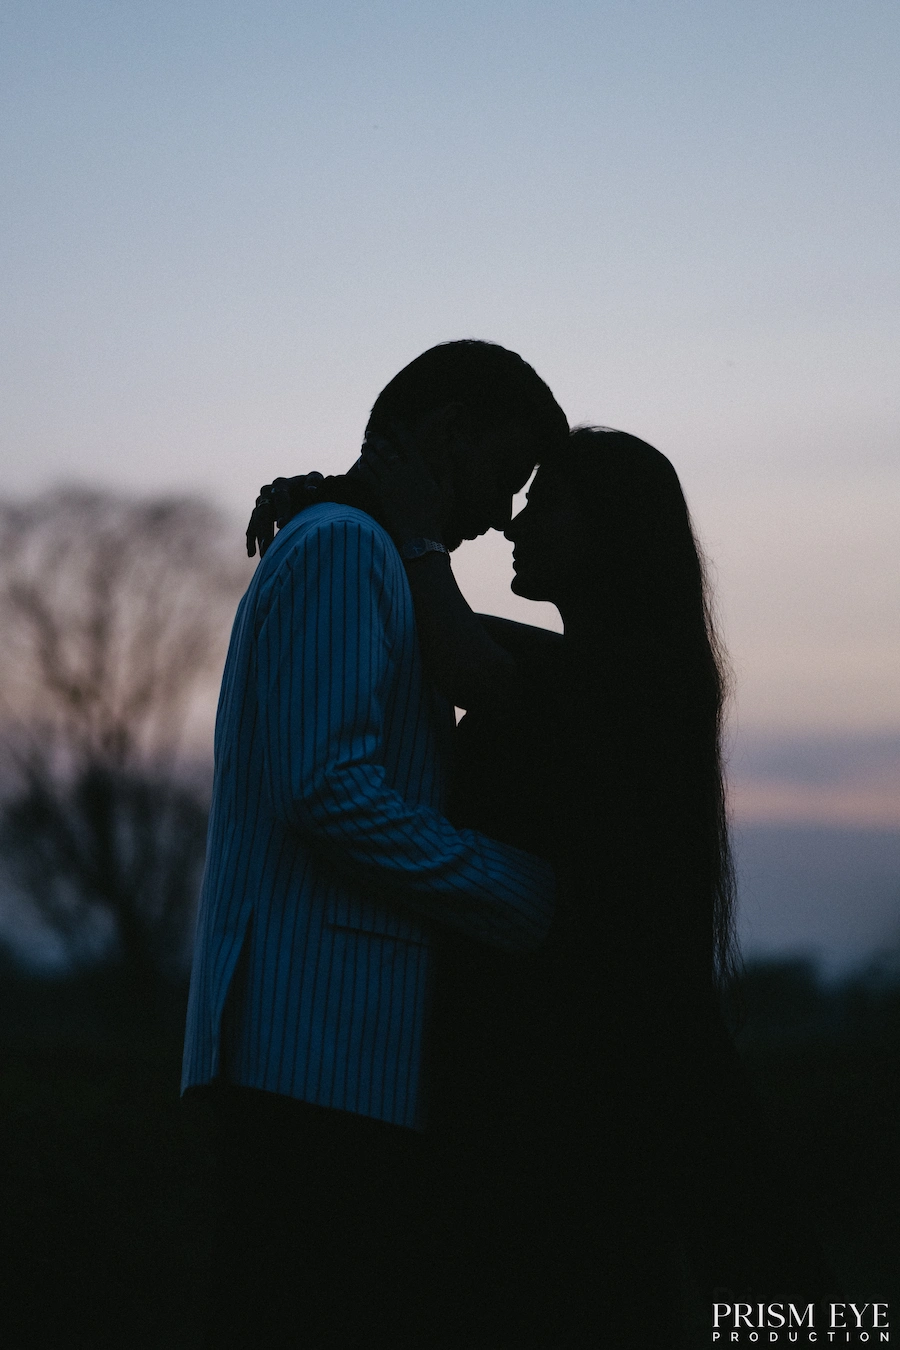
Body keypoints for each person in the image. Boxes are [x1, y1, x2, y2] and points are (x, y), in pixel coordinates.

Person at [360, 425, 837, 1348]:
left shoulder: (637, 683)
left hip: (592, 1084)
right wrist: (344, 507)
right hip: (585, 1073)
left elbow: (460, 654)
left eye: (545, 504)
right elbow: (462, 642)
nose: (515, 526)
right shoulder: (606, 671)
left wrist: (409, 537)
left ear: (607, 530)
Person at [181, 339, 570, 1348]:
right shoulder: (348, 551)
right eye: (504, 474)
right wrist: (518, 893)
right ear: (445, 437)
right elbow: (330, 790)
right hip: (317, 1048)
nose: (498, 514)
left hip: (321, 1050)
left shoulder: (358, 550)